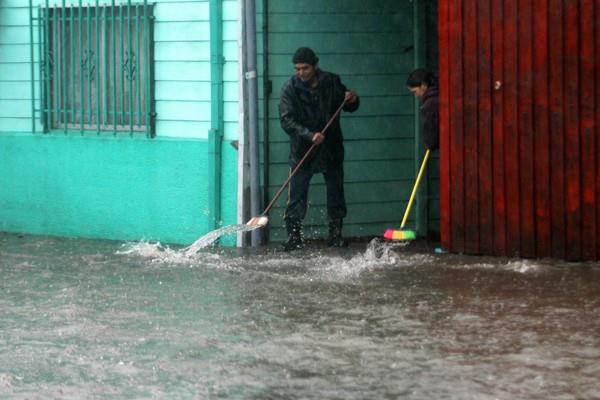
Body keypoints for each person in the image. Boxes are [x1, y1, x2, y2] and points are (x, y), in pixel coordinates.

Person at [279, 47, 360, 251]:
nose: (301, 72)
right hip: (302, 150)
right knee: (297, 195)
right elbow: (286, 120)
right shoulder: (290, 88)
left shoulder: (332, 82)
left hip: (330, 147)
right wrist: (309, 134)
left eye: (305, 68)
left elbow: (348, 106)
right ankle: (294, 237)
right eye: (297, 69)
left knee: (336, 192)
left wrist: (352, 98)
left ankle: (335, 235)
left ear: (315, 65)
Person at [406, 68, 439, 151]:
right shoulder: (441, 95)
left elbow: (431, 141)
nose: (416, 96)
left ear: (424, 85)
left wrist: (429, 143)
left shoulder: (429, 105)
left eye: (415, 91)